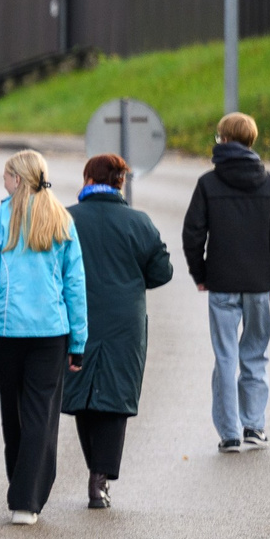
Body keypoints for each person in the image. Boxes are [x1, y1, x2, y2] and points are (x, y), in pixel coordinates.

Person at [0, 149, 89, 525]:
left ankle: (19, 483)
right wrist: (79, 341)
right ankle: (27, 498)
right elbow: (75, 286)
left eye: (6, 177)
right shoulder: (62, 221)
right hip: (51, 330)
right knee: (41, 412)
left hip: (4, 330)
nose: (3, 183)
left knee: (12, 407)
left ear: (17, 179)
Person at [64, 155, 174, 506]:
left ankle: (96, 472)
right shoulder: (138, 222)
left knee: (82, 396)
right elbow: (163, 271)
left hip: (77, 317)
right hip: (125, 323)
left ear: (87, 179)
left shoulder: (66, 220)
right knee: (114, 398)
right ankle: (100, 479)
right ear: (120, 183)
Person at [181, 112, 270, 452]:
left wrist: (200, 274)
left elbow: (193, 234)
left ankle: (229, 433)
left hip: (223, 285)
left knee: (225, 357)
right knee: (255, 355)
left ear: (225, 140)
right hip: (258, 284)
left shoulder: (208, 184)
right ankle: (254, 426)